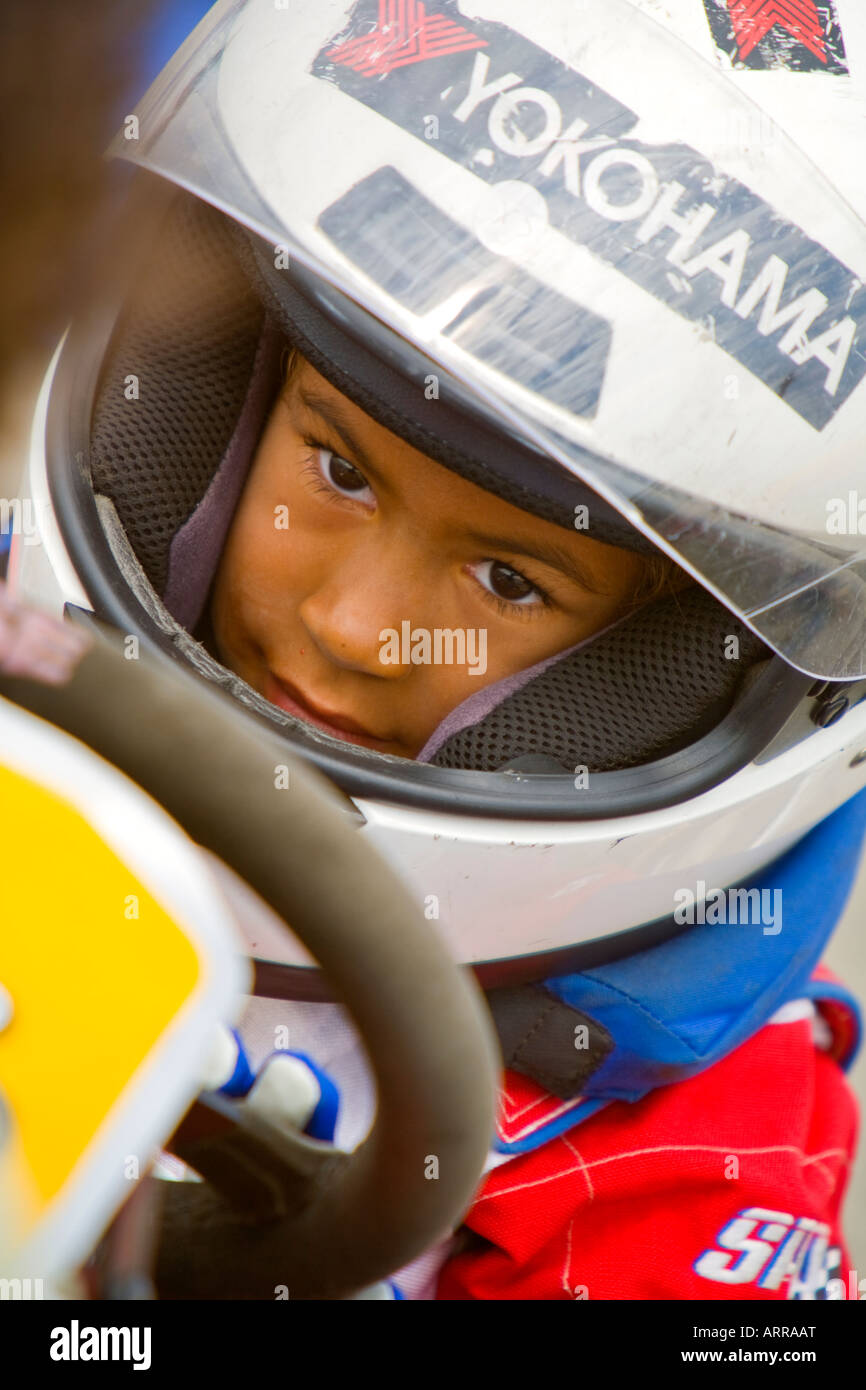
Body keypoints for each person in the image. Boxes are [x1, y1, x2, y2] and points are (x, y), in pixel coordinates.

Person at [11, 0, 866, 1299]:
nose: (356, 625)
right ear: (213, 397)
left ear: (686, 663)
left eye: (509, 575)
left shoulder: (692, 1163)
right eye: (338, 470)